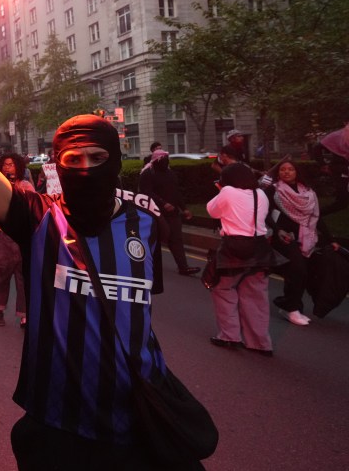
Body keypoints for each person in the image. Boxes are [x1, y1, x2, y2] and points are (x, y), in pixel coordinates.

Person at [0, 0, 208, 471]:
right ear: (58, 167)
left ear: (116, 160)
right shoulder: (37, 216)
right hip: (60, 429)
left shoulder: (145, 222)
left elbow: (141, 317)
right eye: (73, 161)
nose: (85, 170)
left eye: (97, 160)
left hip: (142, 426)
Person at [206, 162, 274, 356]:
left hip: (233, 248)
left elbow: (212, 210)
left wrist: (220, 190)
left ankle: (229, 336)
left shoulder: (227, 192)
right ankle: (260, 343)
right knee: (256, 294)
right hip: (260, 248)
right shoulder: (260, 194)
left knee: (223, 289)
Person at [267, 160, 343, 324]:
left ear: (297, 172)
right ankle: (291, 309)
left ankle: (290, 305)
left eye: (290, 169)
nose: (286, 172)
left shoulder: (308, 192)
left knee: (302, 273)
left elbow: (315, 217)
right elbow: (265, 214)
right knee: (298, 270)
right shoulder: (273, 190)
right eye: (283, 170)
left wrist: (331, 240)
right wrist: (277, 229)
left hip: (306, 237)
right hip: (284, 237)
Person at [138, 150, 201, 276]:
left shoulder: (171, 174)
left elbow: (176, 192)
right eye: (163, 159)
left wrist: (184, 208)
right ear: (156, 160)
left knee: (176, 239)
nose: (166, 161)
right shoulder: (147, 174)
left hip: (172, 213)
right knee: (153, 240)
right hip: (155, 213)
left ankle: (183, 267)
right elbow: (147, 192)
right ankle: (145, 266)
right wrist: (163, 203)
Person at [0, 154, 29, 328]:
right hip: (1, 236)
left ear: (18, 167)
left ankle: (24, 315)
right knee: (0, 275)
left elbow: (32, 208)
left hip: (21, 236)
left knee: (24, 277)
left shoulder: (26, 185)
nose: (7, 168)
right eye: (5, 165)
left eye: (11, 165)